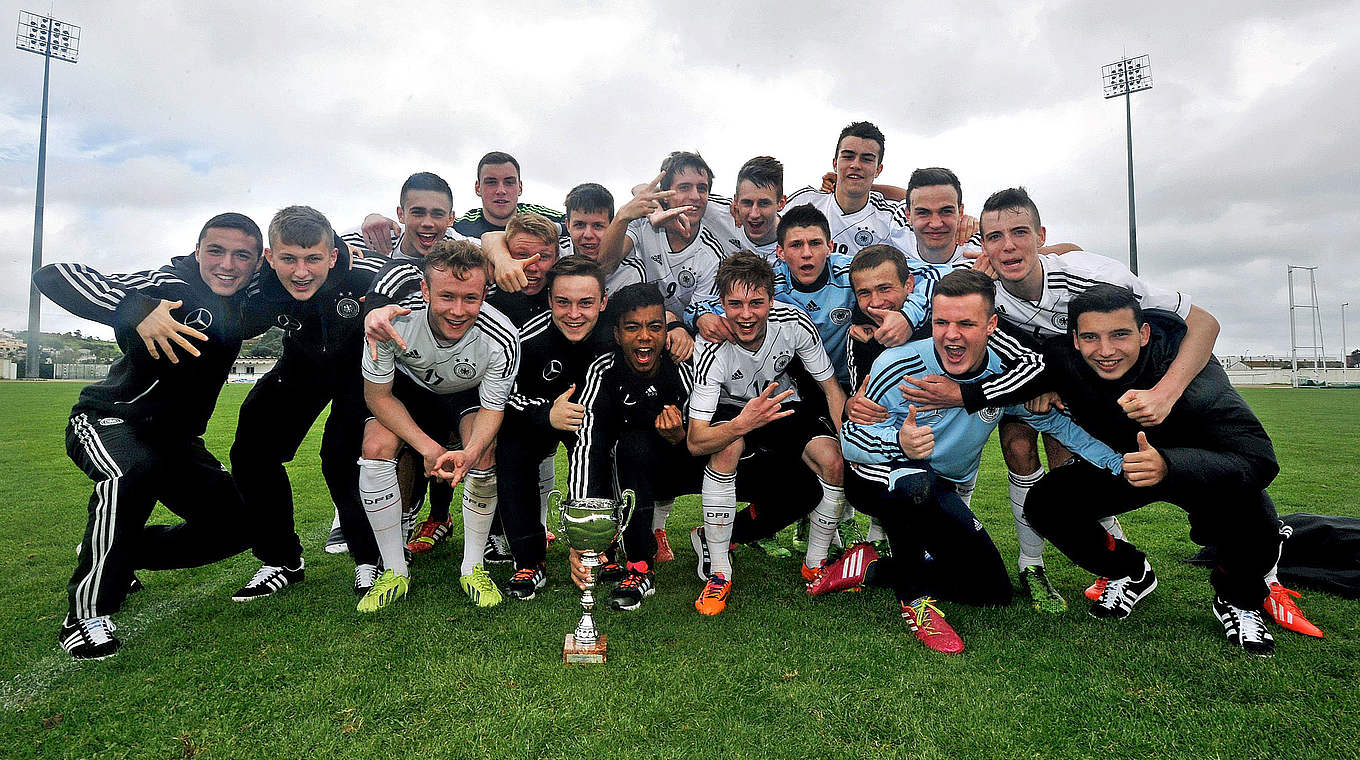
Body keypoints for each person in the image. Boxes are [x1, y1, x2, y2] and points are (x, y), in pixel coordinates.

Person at [832, 269, 1125, 654]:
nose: (951, 335)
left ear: (991, 325)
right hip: (873, 480)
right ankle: (915, 602)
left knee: (991, 591)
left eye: (966, 324)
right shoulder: (896, 363)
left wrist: (1119, 463)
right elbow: (850, 438)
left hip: (940, 489)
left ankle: (871, 568)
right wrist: (897, 439)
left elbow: (1057, 423)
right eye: (941, 322)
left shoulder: (1001, 377)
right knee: (913, 476)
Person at [33, 213, 266, 659]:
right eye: (215, 250)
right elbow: (55, 275)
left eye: (242, 255)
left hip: (176, 441)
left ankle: (114, 553)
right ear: (197, 251)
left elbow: (312, 258)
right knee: (130, 474)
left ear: (257, 263)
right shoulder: (167, 284)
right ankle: (85, 614)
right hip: (109, 420)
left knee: (239, 526)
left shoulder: (251, 297)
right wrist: (135, 310)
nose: (227, 264)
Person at [1024, 284, 1286, 656]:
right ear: (1075, 341)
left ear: (1144, 333)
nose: (1106, 350)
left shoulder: (1196, 380)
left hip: (1199, 471)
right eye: (1091, 337)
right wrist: (1041, 385)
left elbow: (1259, 459)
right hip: (1129, 465)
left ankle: (1237, 599)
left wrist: (1170, 465)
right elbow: (1004, 344)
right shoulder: (1064, 360)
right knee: (1046, 504)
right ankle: (1129, 571)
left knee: (1255, 515)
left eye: (1120, 334)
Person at [356, 241, 519, 612]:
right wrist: (429, 448)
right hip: (408, 393)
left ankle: (473, 567)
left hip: (465, 398)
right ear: (425, 290)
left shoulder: (502, 336)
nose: (458, 311)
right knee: (375, 447)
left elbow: (493, 410)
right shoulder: (390, 323)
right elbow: (378, 398)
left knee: (485, 450)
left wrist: (471, 452)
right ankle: (394, 570)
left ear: (485, 293)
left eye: (470, 298)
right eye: (446, 296)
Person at [685, 253, 847, 615]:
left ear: (772, 301)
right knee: (725, 448)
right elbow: (696, 440)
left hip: (781, 403)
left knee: (833, 461)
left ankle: (815, 564)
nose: (746, 315)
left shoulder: (794, 324)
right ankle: (719, 572)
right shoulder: (710, 349)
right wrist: (744, 422)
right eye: (735, 304)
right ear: (721, 302)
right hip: (734, 411)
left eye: (756, 302)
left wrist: (849, 442)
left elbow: (832, 389)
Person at [498, 258, 614, 600]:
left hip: (593, 421)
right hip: (538, 416)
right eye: (563, 302)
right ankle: (529, 560)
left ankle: (601, 546)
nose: (573, 313)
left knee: (609, 449)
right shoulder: (526, 340)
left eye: (586, 303)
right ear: (549, 300)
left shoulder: (615, 337)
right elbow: (504, 398)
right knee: (511, 449)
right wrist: (546, 414)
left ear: (604, 301)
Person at [356, 152, 564, 253]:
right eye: (491, 182)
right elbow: (423, 223)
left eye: (509, 182)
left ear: (520, 188)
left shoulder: (542, 217)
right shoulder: (462, 227)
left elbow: (582, 224)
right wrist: (373, 218)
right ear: (477, 188)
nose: (501, 190)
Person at [781, 122, 917, 259]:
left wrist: (861, 183)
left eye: (867, 159)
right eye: (848, 156)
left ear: (878, 170)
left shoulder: (891, 217)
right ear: (835, 163)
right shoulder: (804, 200)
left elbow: (918, 201)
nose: (856, 165)